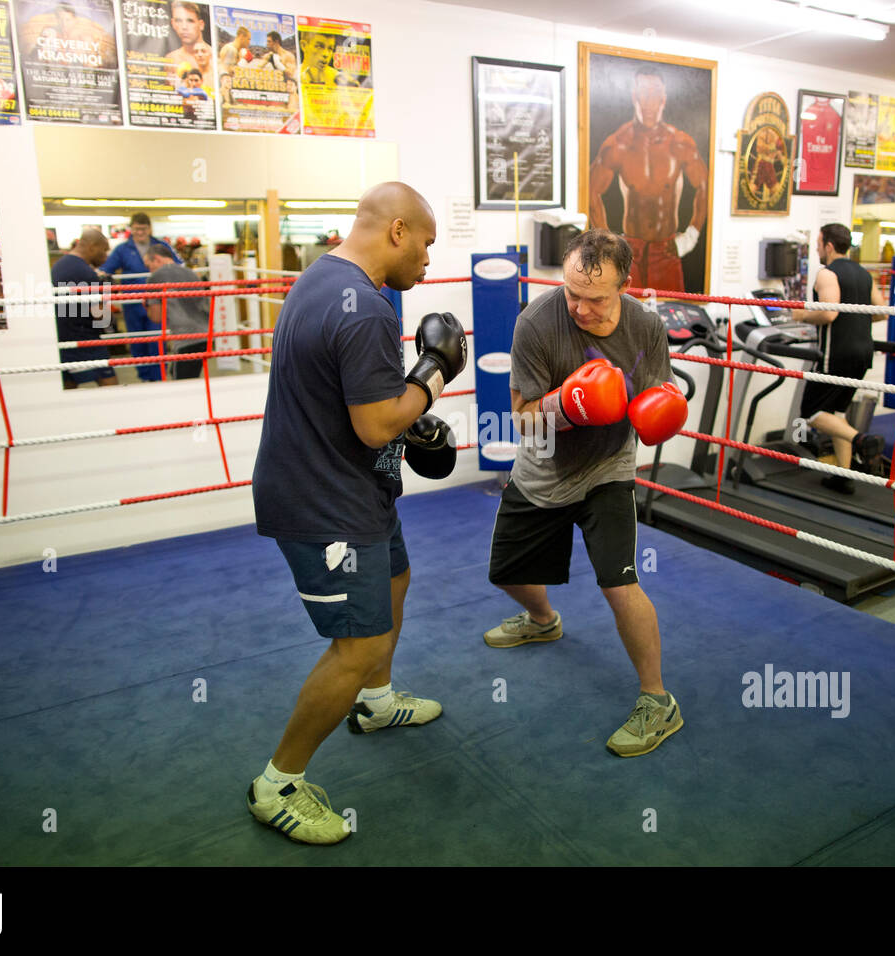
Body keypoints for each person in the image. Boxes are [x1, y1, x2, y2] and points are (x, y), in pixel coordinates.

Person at [248, 182, 466, 846]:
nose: (429, 259)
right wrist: (431, 377)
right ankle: (278, 782)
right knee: (358, 643)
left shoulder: (319, 277)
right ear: (398, 230)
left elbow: (345, 399)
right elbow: (374, 423)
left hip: (350, 488)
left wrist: (407, 427)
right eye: (426, 242)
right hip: (324, 502)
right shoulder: (367, 309)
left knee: (396, 576)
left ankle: (376, 702)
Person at [483, 228, 688, 758]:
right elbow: (524, 421)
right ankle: (543, 621)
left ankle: (657, 701)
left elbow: (657, 400)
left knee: (620, 583)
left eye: (594, 299)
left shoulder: (646, 327)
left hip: (607, 472)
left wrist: (659, 413)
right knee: (509, 574)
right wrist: (571, 405)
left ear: (624, 284)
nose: (579, 307)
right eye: (571, 292)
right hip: (543, 473)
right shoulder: (535, 323)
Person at [788, 223, 890, 493]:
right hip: (863, 353)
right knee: (836, 412)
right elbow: (881, 312)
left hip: (837, 353)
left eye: (819, 243)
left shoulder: (827, 273)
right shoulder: (863, 274)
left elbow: (829, 313)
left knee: (811, 413)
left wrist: (801, 314)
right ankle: (843, 475)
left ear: (829, 246)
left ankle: (862, 440)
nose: (818, 249)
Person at [587, 67, 708, 293]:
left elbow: (704, 185)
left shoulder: (679, 143)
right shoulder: (618, 144)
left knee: (672, 321)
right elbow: (591, 190)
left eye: (655, 93)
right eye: (644, 92)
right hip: (630, 250)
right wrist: (607, 242)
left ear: (663, 98)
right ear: (634, 96)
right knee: (625, 319)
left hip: (667, 250)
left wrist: (690, 236)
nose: (649, 101)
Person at [100, 212, 181, 382]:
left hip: (157, 302)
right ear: (131, 229)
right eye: (136, 229)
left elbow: (178, 265)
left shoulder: (160, 246)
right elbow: (107, 268)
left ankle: (159, 378)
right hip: (133, 304)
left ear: (149, 228)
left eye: (143, 229)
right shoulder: (122, 249)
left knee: (157, 341)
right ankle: (145, 378)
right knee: (138, 342)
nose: (140, 233)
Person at [55, 228, 118, 389]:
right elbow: (101, 317)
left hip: (62, 338)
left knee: (68, 385)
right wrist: (105, 294)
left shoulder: (59, 266)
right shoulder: (86, 273)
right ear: (92, 246)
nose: (105, 256)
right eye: (103, 250)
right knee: (110, 385)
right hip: (84, 340)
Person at [143, 247, 207, 380]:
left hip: (184, 337)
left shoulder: (156, 278)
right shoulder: (191, 273)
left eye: (149, 265)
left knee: (181, 382)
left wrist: (146, 305)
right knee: (186, 376)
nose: (149, 270)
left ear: (157, 259)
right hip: (205, 333)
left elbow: (156, 316)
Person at [167, 1, 206, 79]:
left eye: (190, 21)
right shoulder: (171, 59)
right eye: (178, 21)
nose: (184, 27)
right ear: (173, 23)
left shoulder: (216, 59)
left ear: (201, 25)